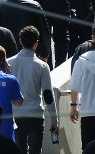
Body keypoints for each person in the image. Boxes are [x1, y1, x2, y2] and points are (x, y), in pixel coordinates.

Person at [7, 26, 58, 154]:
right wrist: (54, 120)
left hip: (15, 115)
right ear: (36, 43)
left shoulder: (9, 63)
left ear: (20, 41)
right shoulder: (42, 66)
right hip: (35, 115)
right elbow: (48, 95)